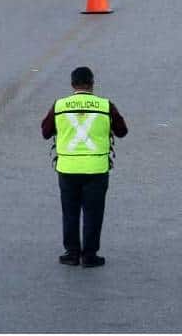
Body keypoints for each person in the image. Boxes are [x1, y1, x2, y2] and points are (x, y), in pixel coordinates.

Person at [41, 67, 128, 268]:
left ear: (72, 85)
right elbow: (122, 131)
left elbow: (46, 132)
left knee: (70, 211)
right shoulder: (106, 106)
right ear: (92, 84)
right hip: (96, 169)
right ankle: (90, 255)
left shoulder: (59, 105)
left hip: (68, 168)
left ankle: (72, 253)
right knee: (93, 212)